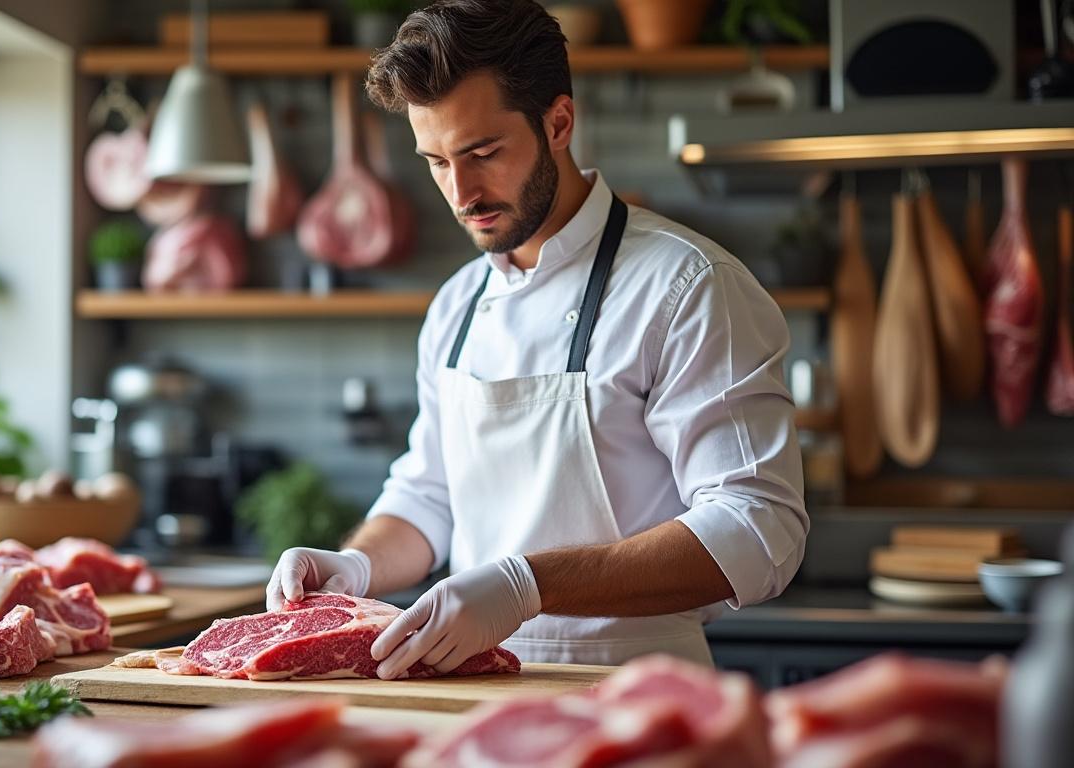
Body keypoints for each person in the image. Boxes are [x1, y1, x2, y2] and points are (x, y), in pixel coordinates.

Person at [266, 0, 808, 677]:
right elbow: (430, 495)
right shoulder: (458, 305)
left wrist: (529, 585)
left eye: (483, 152)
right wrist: (357, 564)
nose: (461, 192)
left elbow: (760, 531)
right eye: (435, 161)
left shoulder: (688, 286)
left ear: (559, 122)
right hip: (473, 694)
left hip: (635, 695)